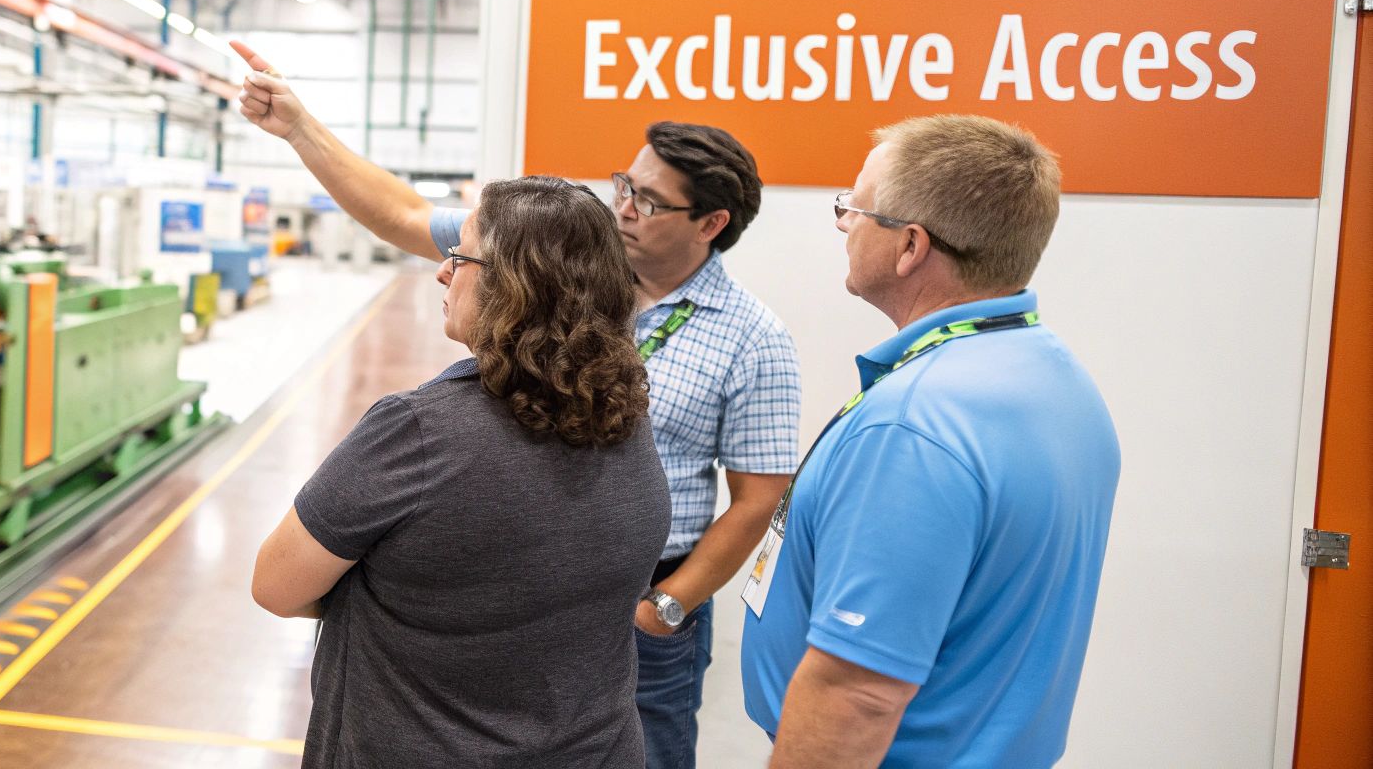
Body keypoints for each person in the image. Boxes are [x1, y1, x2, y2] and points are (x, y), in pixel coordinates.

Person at [231, 40, 802, 769]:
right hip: (488, 590)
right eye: (625, 186)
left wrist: (665, 606)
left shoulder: (751, 339)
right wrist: (299, 127)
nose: (625, 208)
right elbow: (402, 211)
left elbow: (759, 500)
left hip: (624, 598)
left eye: (649, 201)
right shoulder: (562, 247)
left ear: (710, 224)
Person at [737, 115, 1121, 768]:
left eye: (854, 208)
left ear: (910, 246)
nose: (842, 224)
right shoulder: (1061, 383)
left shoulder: (913, 427)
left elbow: (857, 694)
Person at [251, 176, 672, 768]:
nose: (444, 272)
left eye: (461, 256)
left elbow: (276, 585)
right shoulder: (625, 418)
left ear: (515, 285)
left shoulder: (417, 432)